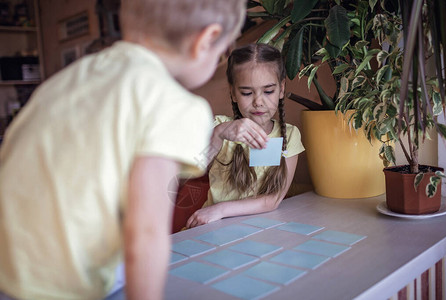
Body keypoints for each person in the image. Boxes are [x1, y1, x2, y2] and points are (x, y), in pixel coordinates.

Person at [0, 0, 246, 299]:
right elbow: (145, 234)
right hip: (66, 285)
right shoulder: (175, 104)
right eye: (223, 52)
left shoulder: (69, 78)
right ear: (206, 40)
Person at [186, 43, 305, 229]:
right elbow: (188, 172)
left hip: (259, 229)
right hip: (212, 228)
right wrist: (218, 135)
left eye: (268, 91)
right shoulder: (218, 126)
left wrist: (221, 209)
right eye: (247, 93)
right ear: (233, 93)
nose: (258, 102)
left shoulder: (289, 136)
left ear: (281, 89)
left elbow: (272, 200)